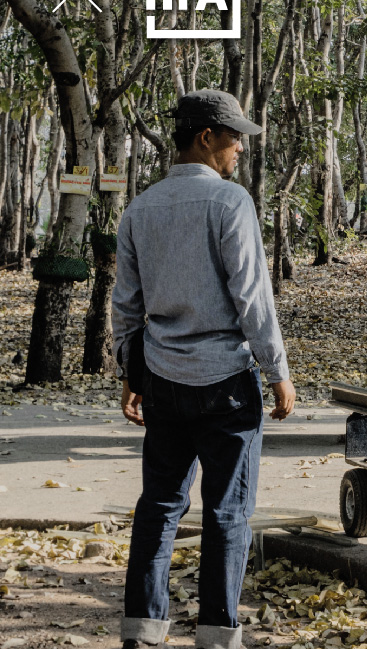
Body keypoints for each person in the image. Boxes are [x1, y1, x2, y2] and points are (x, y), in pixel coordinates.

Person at [114, 90, 293, 649]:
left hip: (163, 378)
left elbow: (125, 304)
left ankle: (142, 632)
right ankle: (217, 636)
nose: (240, 147)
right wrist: (277, 369)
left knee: (159, 507)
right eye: (234, 135)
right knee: (227, 512)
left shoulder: (141, 208)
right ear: (204, 137)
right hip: (226, 387)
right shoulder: (229, 203)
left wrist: (132, 373)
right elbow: (252, 296)